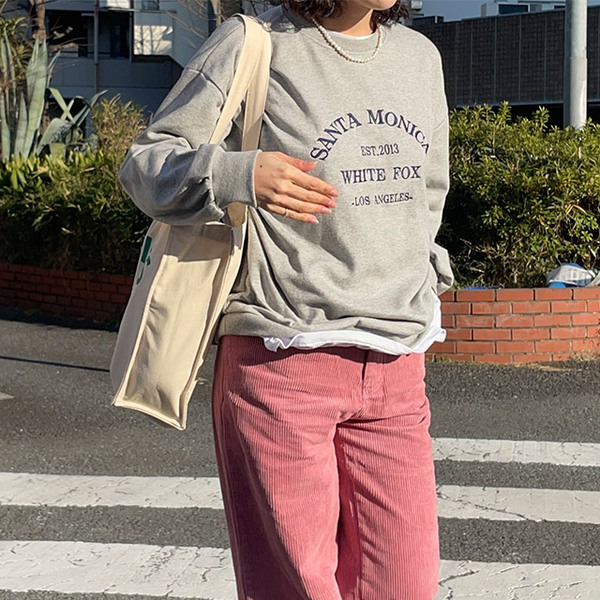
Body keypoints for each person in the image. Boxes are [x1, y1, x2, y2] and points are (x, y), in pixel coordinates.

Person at [118, 1, 454, 598]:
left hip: (397, 364)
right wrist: (238, 175)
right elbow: (145, 165)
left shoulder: (419, 57)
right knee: (295, 588)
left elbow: (430, 189)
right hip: (283, 357)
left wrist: (422, 270)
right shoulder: (255, 42)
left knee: (406, 584)